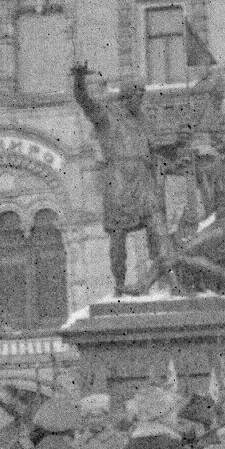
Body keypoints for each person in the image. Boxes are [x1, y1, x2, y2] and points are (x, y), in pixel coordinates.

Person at [71, 63, 177, 296]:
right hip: (119, 180)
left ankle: (170, 277)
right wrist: (79, 79)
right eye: (135, 96)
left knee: (158, 225)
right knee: (118, 236)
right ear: (125, 97)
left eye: (141, 96)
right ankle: (119, 283)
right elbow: (84, 101)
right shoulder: (106, 116)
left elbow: (158, 149)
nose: (139, 101)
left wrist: (178, 143)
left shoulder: (144, 121)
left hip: (143, 179)